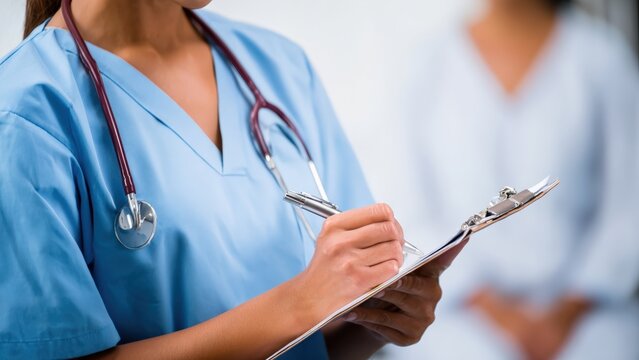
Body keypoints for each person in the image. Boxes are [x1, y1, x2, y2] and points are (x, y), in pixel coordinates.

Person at [0, 0, 464, 358]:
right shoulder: (26, 114)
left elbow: (330, 325)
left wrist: (380, 316)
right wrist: (297, 305)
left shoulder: (279, 67)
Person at [375, 0, 639, 359]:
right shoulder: (425, 63)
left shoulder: (602, 58)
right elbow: (409, 205)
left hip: (588, 318)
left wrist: (567, 313)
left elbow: (628, 205)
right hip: (458, 313)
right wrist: (495, 313)